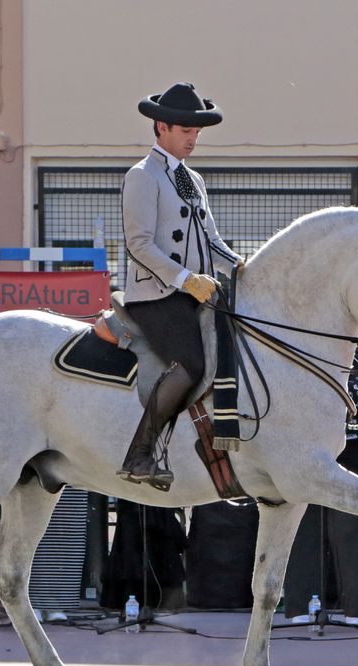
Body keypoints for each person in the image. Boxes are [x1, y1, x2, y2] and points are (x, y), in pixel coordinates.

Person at [117, 82, 242, 490]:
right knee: (192, 366)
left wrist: (244, 268)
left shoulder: (193, 179)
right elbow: (139, 244)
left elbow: (211, 240)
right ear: (162, 127)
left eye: (197, 131)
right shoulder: (142, 176)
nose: (193, 138)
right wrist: (187, 280)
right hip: (156, 297)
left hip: (195, 292)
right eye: (186, 130)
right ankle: (139, 454)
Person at [283, 353, 358, 627]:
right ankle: (300, 607)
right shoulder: (307, 356)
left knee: (354, 534)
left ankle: (355, 612)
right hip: (312, 459)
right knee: (303, 531)